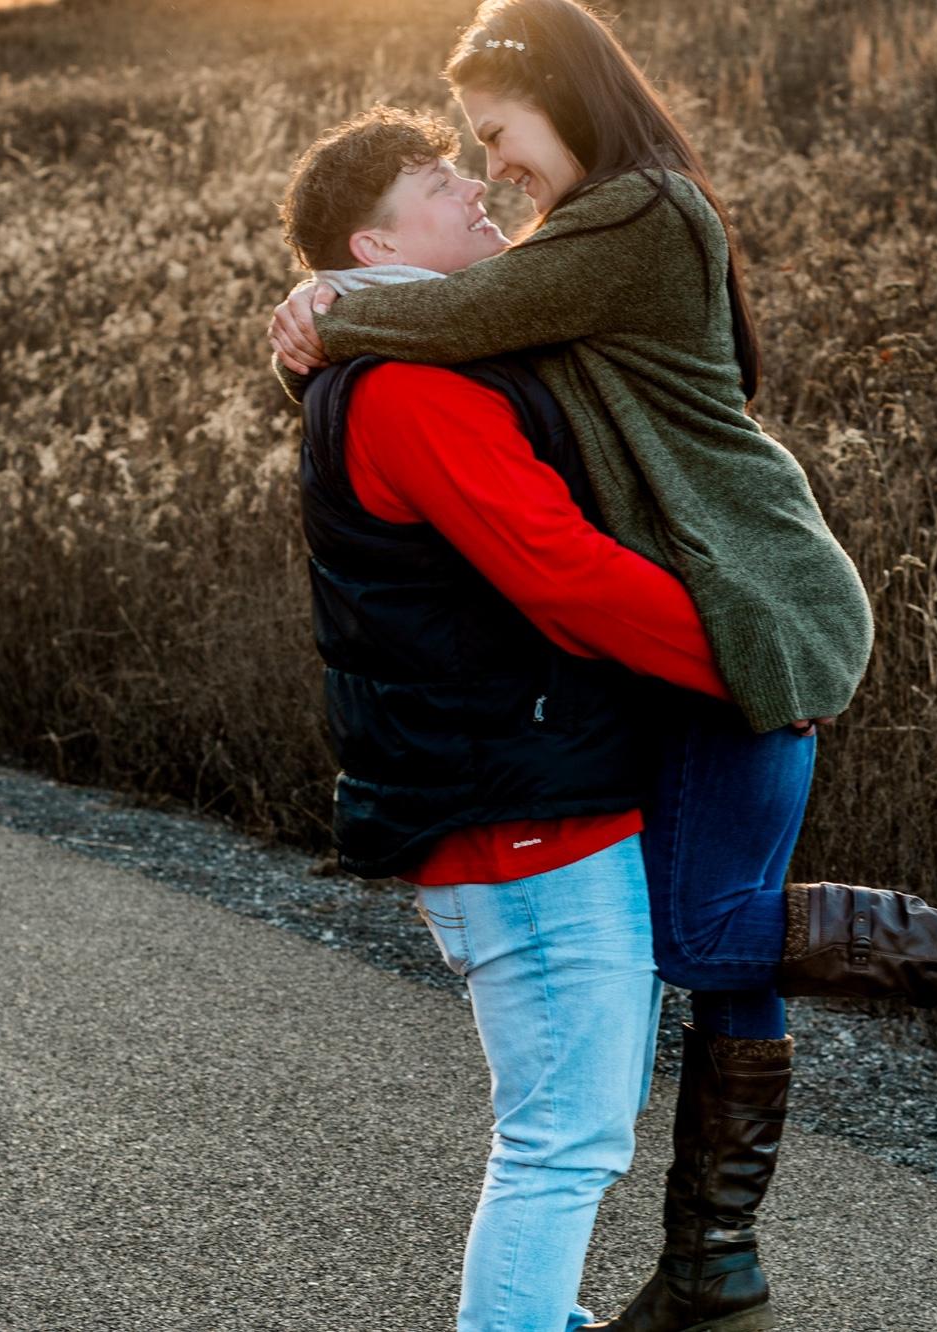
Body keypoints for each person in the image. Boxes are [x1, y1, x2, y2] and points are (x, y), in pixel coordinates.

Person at [271, 4, 937, 1329]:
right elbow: (462, 406)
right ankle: (714, 1264)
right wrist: (338, 317)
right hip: (689, 652)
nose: (489, 174)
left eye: (492, 137)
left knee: (704, 935)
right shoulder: (520, 291)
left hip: (743, 624)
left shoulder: (634, 219)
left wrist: (333, 308)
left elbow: (463, 328)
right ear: (381, 242)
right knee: (714, 947)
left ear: (562, 95)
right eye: (457, 167)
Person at [277, 103, 745, 1332]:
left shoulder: (422, 362)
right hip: (518, 817)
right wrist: (748, 656)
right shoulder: (407, 391)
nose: (474, 186)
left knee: (572, 1128)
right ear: (376, 252)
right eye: (436, 181)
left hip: (526, 790)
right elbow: (563, 574)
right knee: (561, 1142)